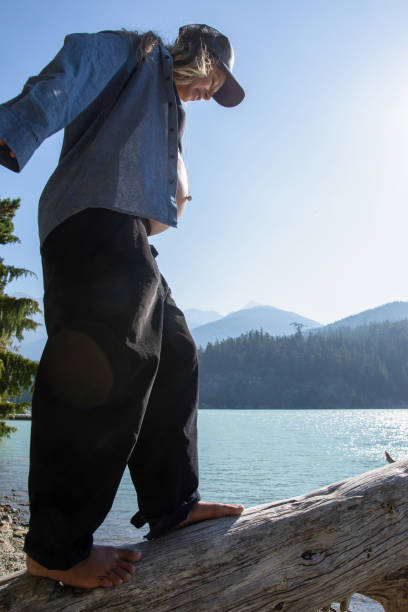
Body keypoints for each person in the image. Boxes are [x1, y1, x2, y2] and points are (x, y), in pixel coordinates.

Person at [0, 24, 245, 589]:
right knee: (105, 365)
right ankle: (55, 550)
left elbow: (155, 198)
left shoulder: (169, 112)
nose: (214, 92)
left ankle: (173, 504)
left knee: (176, 350)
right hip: (90, 218)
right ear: (202, 55)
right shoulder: (139, 53)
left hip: (128, 231)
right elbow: (76, 66)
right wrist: (15, 127)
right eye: (218, 80)